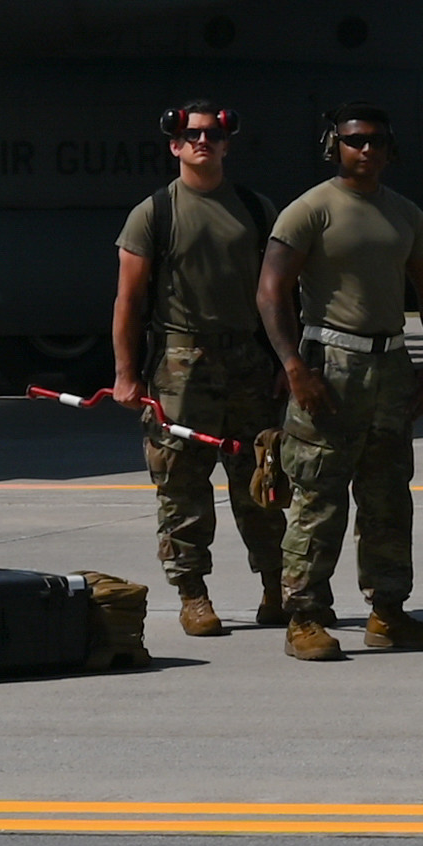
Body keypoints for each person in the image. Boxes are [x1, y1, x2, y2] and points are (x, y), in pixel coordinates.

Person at [255, 105, 423, 660]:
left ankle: (389, 614)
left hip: (390, 364)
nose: (365, 150)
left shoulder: (407, 215)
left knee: (388, 497)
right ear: (335, 146)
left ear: (391, 150)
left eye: (376, 141)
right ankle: (304, 616)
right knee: (318, 495)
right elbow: (271, 290)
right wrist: (294, 365)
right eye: (353, 140)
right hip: (330, 363)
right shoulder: (310, 210)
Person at [111, 100, 285, 637]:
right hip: (180, 367)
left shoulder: (257, 210)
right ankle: (193, 595)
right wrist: (125, 373)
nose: (201, 142)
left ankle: (277, 588)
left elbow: (280, 294)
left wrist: (287, 360)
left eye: (211, 134)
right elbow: (129, 300)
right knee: (182, 487)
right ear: (174, 144)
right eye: (190, 135)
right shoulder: (154, 213)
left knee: (263, 481)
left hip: (249, 364)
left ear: (227, 142)